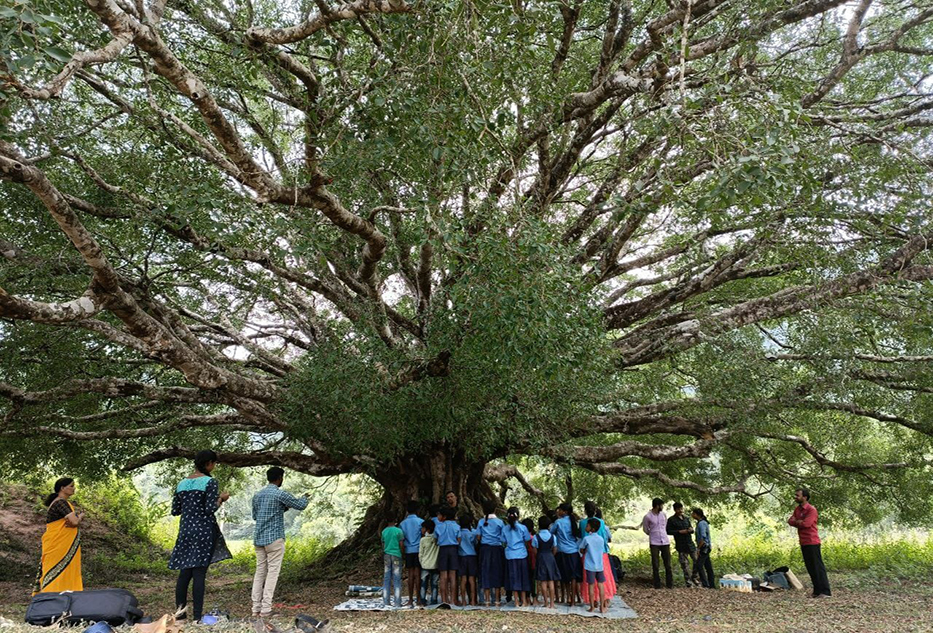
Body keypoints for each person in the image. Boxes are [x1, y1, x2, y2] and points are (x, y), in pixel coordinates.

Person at [169, 450, 231, 622]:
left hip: (185, 531)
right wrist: (221, 499)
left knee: (184, 573)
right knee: (199, 574)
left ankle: (180, 616)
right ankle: (197, 617)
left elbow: (175, 510)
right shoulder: (210, 482)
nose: (214, 466)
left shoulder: (181, 483)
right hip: (203, 531)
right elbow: (210, 508)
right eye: (214, 463)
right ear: (208, 464)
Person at [250, 467, 309, 619]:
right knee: (272, 574)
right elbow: (300, 505)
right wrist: (305, 497)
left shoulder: (257, 495)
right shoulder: (279, 493)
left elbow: (256, 516)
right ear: (280, 478)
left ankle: (255, 609)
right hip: (274, 539)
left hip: (259, 539)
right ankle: (266, 610)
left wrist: (281, 509)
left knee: (260, 573)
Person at [34, 477, 83, 594]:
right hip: (58, 544)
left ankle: (65, 596)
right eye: (71, 486)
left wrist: (74, 520)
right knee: (56, 570)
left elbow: (72, 522)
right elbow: (75, 522)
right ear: (62, 488)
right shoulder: (60, 502)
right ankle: (51, 597)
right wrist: (81, 516)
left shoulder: (61, 502)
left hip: (62, 543)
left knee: (66, 569)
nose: (73, 488)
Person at [788, 487, 831, 598]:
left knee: (817, 567)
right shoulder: (797, 510)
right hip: (803, 542)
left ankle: (825, 591)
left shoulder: (811, 509)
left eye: (798, 495)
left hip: (812, 541)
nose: (795, 497)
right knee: (810, 567)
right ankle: (817, 591)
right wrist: (799, 522)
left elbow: (807, 524)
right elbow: (790, 521)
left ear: (805, 497)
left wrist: (797, 522)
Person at [579, 501, 616, 608]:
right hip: (602, 552)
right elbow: (605, 537)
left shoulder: (582, 523)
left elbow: (582, 537)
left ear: (585, 511)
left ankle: (592, 601)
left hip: (588, 552)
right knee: (604, 577)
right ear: (595, 510)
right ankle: (605, 599)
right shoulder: (601, 522)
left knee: (589, 578)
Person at [477, 499, 506, 607]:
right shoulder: (500, 522)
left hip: (485, 550)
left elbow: (478, 537)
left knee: (485, 572)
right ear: (495, 509)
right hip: (497, 549)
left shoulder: (481, 521)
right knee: (496, 573)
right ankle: (497, 601)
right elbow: (503, 538)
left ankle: (487, 601)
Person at [553, 503, 582, 606]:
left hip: (562, 552)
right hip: (574, 552)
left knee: (565, 577)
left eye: (559, 510)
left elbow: (551, 532)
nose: (558, 512)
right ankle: (573, 600)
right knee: (573, 577)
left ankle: (567, 597)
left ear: (564, 512)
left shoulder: (558, 522)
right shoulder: (573, 522)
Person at [642, 498, 673, 589]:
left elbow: (665, 525)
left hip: (665, 541)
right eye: (661, 505)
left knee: (668, 563)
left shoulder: (663, 515)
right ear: (657, 506)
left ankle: (669, 584)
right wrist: (652, 533)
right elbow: (645, 529)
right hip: (654, 542)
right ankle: (657, 584)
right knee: (655, 564)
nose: (662, 507)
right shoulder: (647, 516)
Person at [503, 507, 531, 607]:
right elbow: (527, 539)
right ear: (518, 516)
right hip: (522, 554)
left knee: (513, 577)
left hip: (510, 556)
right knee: (523, 577)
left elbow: (504, 541)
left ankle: (516, 602)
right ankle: (523, 601)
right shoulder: (523, 528)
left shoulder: (505, 529)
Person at [667, 502, 700, 588]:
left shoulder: (686, 518)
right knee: (685, 565)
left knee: (697, 561)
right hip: (681, 545)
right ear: (675, 510)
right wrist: (679, 532)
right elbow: (668, 531)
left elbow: (691, 528)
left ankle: (694, 577)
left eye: (681, 509)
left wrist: (690, 530)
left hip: (690, 543)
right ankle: (688, 582)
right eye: (678, 509)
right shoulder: (671, 520)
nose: (680, 511)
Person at [399, 501, 424, 607]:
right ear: (417, 510)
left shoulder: (402, 523)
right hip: (418, 550)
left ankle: (410, 599)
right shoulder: (421, 522)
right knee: (418, 575)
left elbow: (402, 538)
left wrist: (403, 551)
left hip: (408, 550)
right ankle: (418, 599)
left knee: (410, 575)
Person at [434, 506, 460, 605]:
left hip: (443, 550)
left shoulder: (438, 526)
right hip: (453, 549)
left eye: (439, 515)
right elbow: (459, 540)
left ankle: (444, 600)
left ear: (444, 516)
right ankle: (454, 599)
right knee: (453, 576)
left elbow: (435, 540)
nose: (438, 517)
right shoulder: (456, 526)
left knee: (443, 576)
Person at [580, 519, 607, 613]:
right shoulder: (601, 539)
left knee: (591, 586)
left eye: (587, 526)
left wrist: (584, 551)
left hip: (589, 566)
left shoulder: (586, 539)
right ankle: (602, 607)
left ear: (592, 528)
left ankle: (592, 606)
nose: (585, 527)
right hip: (599, 565)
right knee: (601, 585)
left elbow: (582, 550)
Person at [532, 516, 559, 608]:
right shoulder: (553, 537)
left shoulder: (536, 537)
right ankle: (552, 604)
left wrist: (539, 556)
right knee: (551, 581)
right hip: (550, 557)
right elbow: (555, 549)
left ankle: (546, 602)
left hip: (541, 557)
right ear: (549, 526)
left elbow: (534, 550)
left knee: (543, 581)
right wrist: (551, 555)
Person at [381, 518, 404, 608]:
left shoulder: (384, 531)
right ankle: (397, 602)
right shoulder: (399, 531)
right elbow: (401, 544)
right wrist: (402, 554)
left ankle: (386, 602)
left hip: (387, 555)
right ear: (395, 522)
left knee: (387, 578)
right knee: (397, 578)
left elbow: (383, 544)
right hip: (396, 555)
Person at [457, 514, 479, 606]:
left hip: (461, 556)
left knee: (463, 579)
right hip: (472, 557)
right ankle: (473, 601)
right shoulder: (473, 533)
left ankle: (463, 601)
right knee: (472, 579)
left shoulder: (458, 532)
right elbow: (476, 543)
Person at [692, 508, 715, 589]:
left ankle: (705, 584)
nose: (692, 515)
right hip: (706, 547)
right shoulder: (702, 523)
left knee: (699, 565)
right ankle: (712, 585)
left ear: (696, 514)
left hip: (704, 547)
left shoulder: (701, 524)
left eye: (693, 513)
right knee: (708, 566)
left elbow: (703, 537)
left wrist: (698, 548)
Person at [418, 519, 440, 606]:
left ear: (426, 529)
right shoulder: (436, 540)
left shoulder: (423, 540)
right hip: (435, 564)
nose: (421, 530)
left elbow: (421, 553)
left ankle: (423, 600)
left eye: (422, 528)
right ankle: (434, 600)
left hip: (425, 565)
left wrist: (421, 562)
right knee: (434, 584)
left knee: (423, 584)